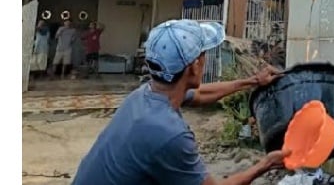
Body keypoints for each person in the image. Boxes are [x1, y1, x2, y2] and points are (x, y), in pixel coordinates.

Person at [72, 19, 290, 185]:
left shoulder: (144, 95)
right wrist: (265, 164)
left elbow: (199, 95)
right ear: (194, 66)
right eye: (204, 54)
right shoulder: (169, 133)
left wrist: (252, 81)